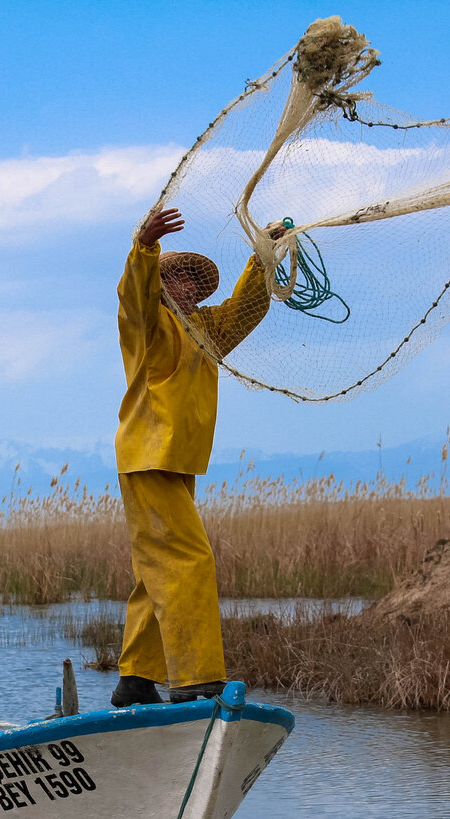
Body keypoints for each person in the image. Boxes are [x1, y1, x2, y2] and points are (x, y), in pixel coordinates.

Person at [110, 208, 280, 706]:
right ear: (161, 284)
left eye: (191, 279)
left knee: (155, 571)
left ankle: (136, 680)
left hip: (178, 460)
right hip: (147, 456)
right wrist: (144, 248)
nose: (184, 284)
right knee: (190, 559)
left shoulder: (206, 330)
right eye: (175, 276)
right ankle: (195, 679)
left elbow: (247, 309)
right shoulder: (147, 323)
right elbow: (131, 298)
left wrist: (263, 258)